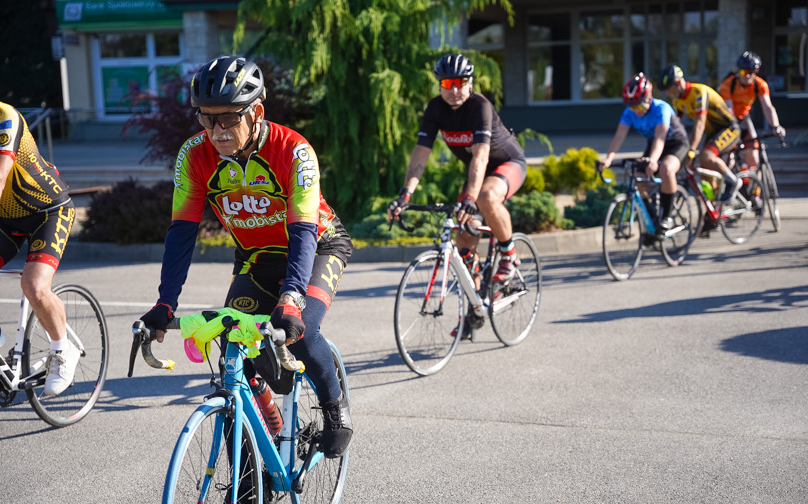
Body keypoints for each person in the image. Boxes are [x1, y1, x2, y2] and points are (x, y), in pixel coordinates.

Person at [139, 56, 354, 458]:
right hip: (257, 256)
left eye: (229, 119)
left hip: (317, 245)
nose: (216, 131)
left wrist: (291, 298)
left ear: (255, 112)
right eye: (206, 119)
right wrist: (165, 301)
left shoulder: (294, 151)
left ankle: (334, 410)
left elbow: (304, 230)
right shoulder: (194, 155)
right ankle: (261, 440)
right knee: (233, 344)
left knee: (300, 330)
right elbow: (182, 233)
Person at [388, 54, 526, 336]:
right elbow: (420, 156)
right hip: (478, 171)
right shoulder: (436, 109)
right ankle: (475, 310)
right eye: (448, 83)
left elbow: (481, 155)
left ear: (469, 83)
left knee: (486, 198)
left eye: (460, 83)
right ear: (440, 85)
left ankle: (509, 254)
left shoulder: (480, 106)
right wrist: (405, 195)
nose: (454, 90)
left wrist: (470, 199)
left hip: (507, 163)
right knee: (464, 240)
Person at [0, 56, 79, 396]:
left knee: (34, 286)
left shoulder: (2, 118)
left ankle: (61, 349)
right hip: (6, 219)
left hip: (47, 211)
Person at [600, 73, 690, 232]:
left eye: (639, 106)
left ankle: (667, 217)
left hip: (676, 144)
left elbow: (660, 137)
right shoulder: (629, 112)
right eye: (631, 106)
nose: (636, 111)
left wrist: (653, 160)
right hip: (654, 144)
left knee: (666, 169)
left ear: (649, 98)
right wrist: (608, 159)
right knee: (638, 178)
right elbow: (619, 136)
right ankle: (652, 221)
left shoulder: (661, 108)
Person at [659, 65, 742, 234]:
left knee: (705, 155)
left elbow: (699, 124)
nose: (668, 94)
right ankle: (713, 214)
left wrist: (691, 150)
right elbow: (677, 128)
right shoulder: (678, 101)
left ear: (679, 83)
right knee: (705, 176)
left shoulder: (699, 92)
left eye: (669, 89)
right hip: (713, 133)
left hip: (729, 128)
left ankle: (733, 181)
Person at [718, 51, 786, 175]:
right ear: (738, 71)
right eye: (744, 72)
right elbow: (729, 110)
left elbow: (767, 107)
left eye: (752, 72)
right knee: (728, 160)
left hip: (744, 118)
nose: (748, 76)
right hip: (728, 120)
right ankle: (728, 186)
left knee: (754, 158)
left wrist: (776, 126)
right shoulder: (727, 84)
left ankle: (755, 192)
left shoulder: (760, 84)